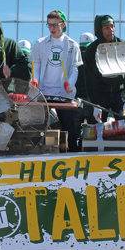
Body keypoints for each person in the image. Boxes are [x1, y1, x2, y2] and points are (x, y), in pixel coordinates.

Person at [30, 10, 83, 152]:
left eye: (55, 25)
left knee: (68, 130)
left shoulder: (72, 45)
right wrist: (35, 79)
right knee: (38, 129)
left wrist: (70, 83)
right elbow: (37, 64)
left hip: (63, 94)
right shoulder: (40, 43)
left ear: (63, 24)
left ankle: (72, 155)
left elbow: (75, 68)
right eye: (49, 25)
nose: (52, 28)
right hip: (43, 93)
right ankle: (36, 155)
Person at [84, 15, 125, 122]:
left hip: (119, 93)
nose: (110, 30)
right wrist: (95, 103)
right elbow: (90, 79)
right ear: (99, 29)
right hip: (101, 94)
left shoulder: (122, 46)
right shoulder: (92, 50)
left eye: (112, 26)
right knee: (95, 127)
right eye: (106, 27)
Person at [74, 32, 95, 149]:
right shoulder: (95, 57)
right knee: (92, 131)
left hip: (76, 100)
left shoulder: (75, 56)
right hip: (91, 100)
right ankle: (90, 151)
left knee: (75, 131)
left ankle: (73, 152)